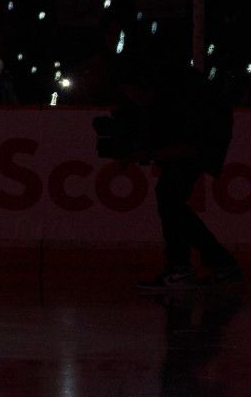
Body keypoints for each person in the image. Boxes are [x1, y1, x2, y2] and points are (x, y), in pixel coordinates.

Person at [98, 41, 242, 291]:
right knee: (169, 198)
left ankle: (200, 266)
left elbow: (190, 146)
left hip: (204, 136)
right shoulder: (157, 98)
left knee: (170, 198)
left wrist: (142, 154)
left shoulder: (180, 101)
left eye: (134, 92)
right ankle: (198, 265)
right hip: (195, 136)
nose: (133, 98)